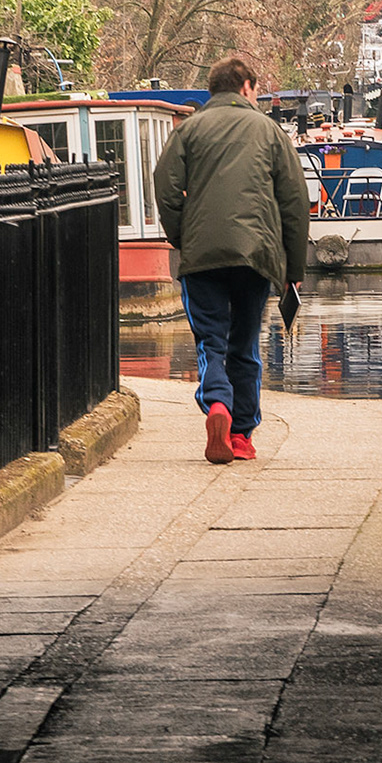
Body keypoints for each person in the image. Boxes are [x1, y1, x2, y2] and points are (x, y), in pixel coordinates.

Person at [154, 57, 310, 465]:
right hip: (256, 255)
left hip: (202, 256)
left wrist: (182, 237)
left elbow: (165, 187)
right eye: (256, 90)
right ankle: (241, 436)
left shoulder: (188, 130)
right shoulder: (270, 131)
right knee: (245, 345)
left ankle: (217, 403)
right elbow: (295, 202)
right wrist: (293, 270)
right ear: (245, 86)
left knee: (211, 340)